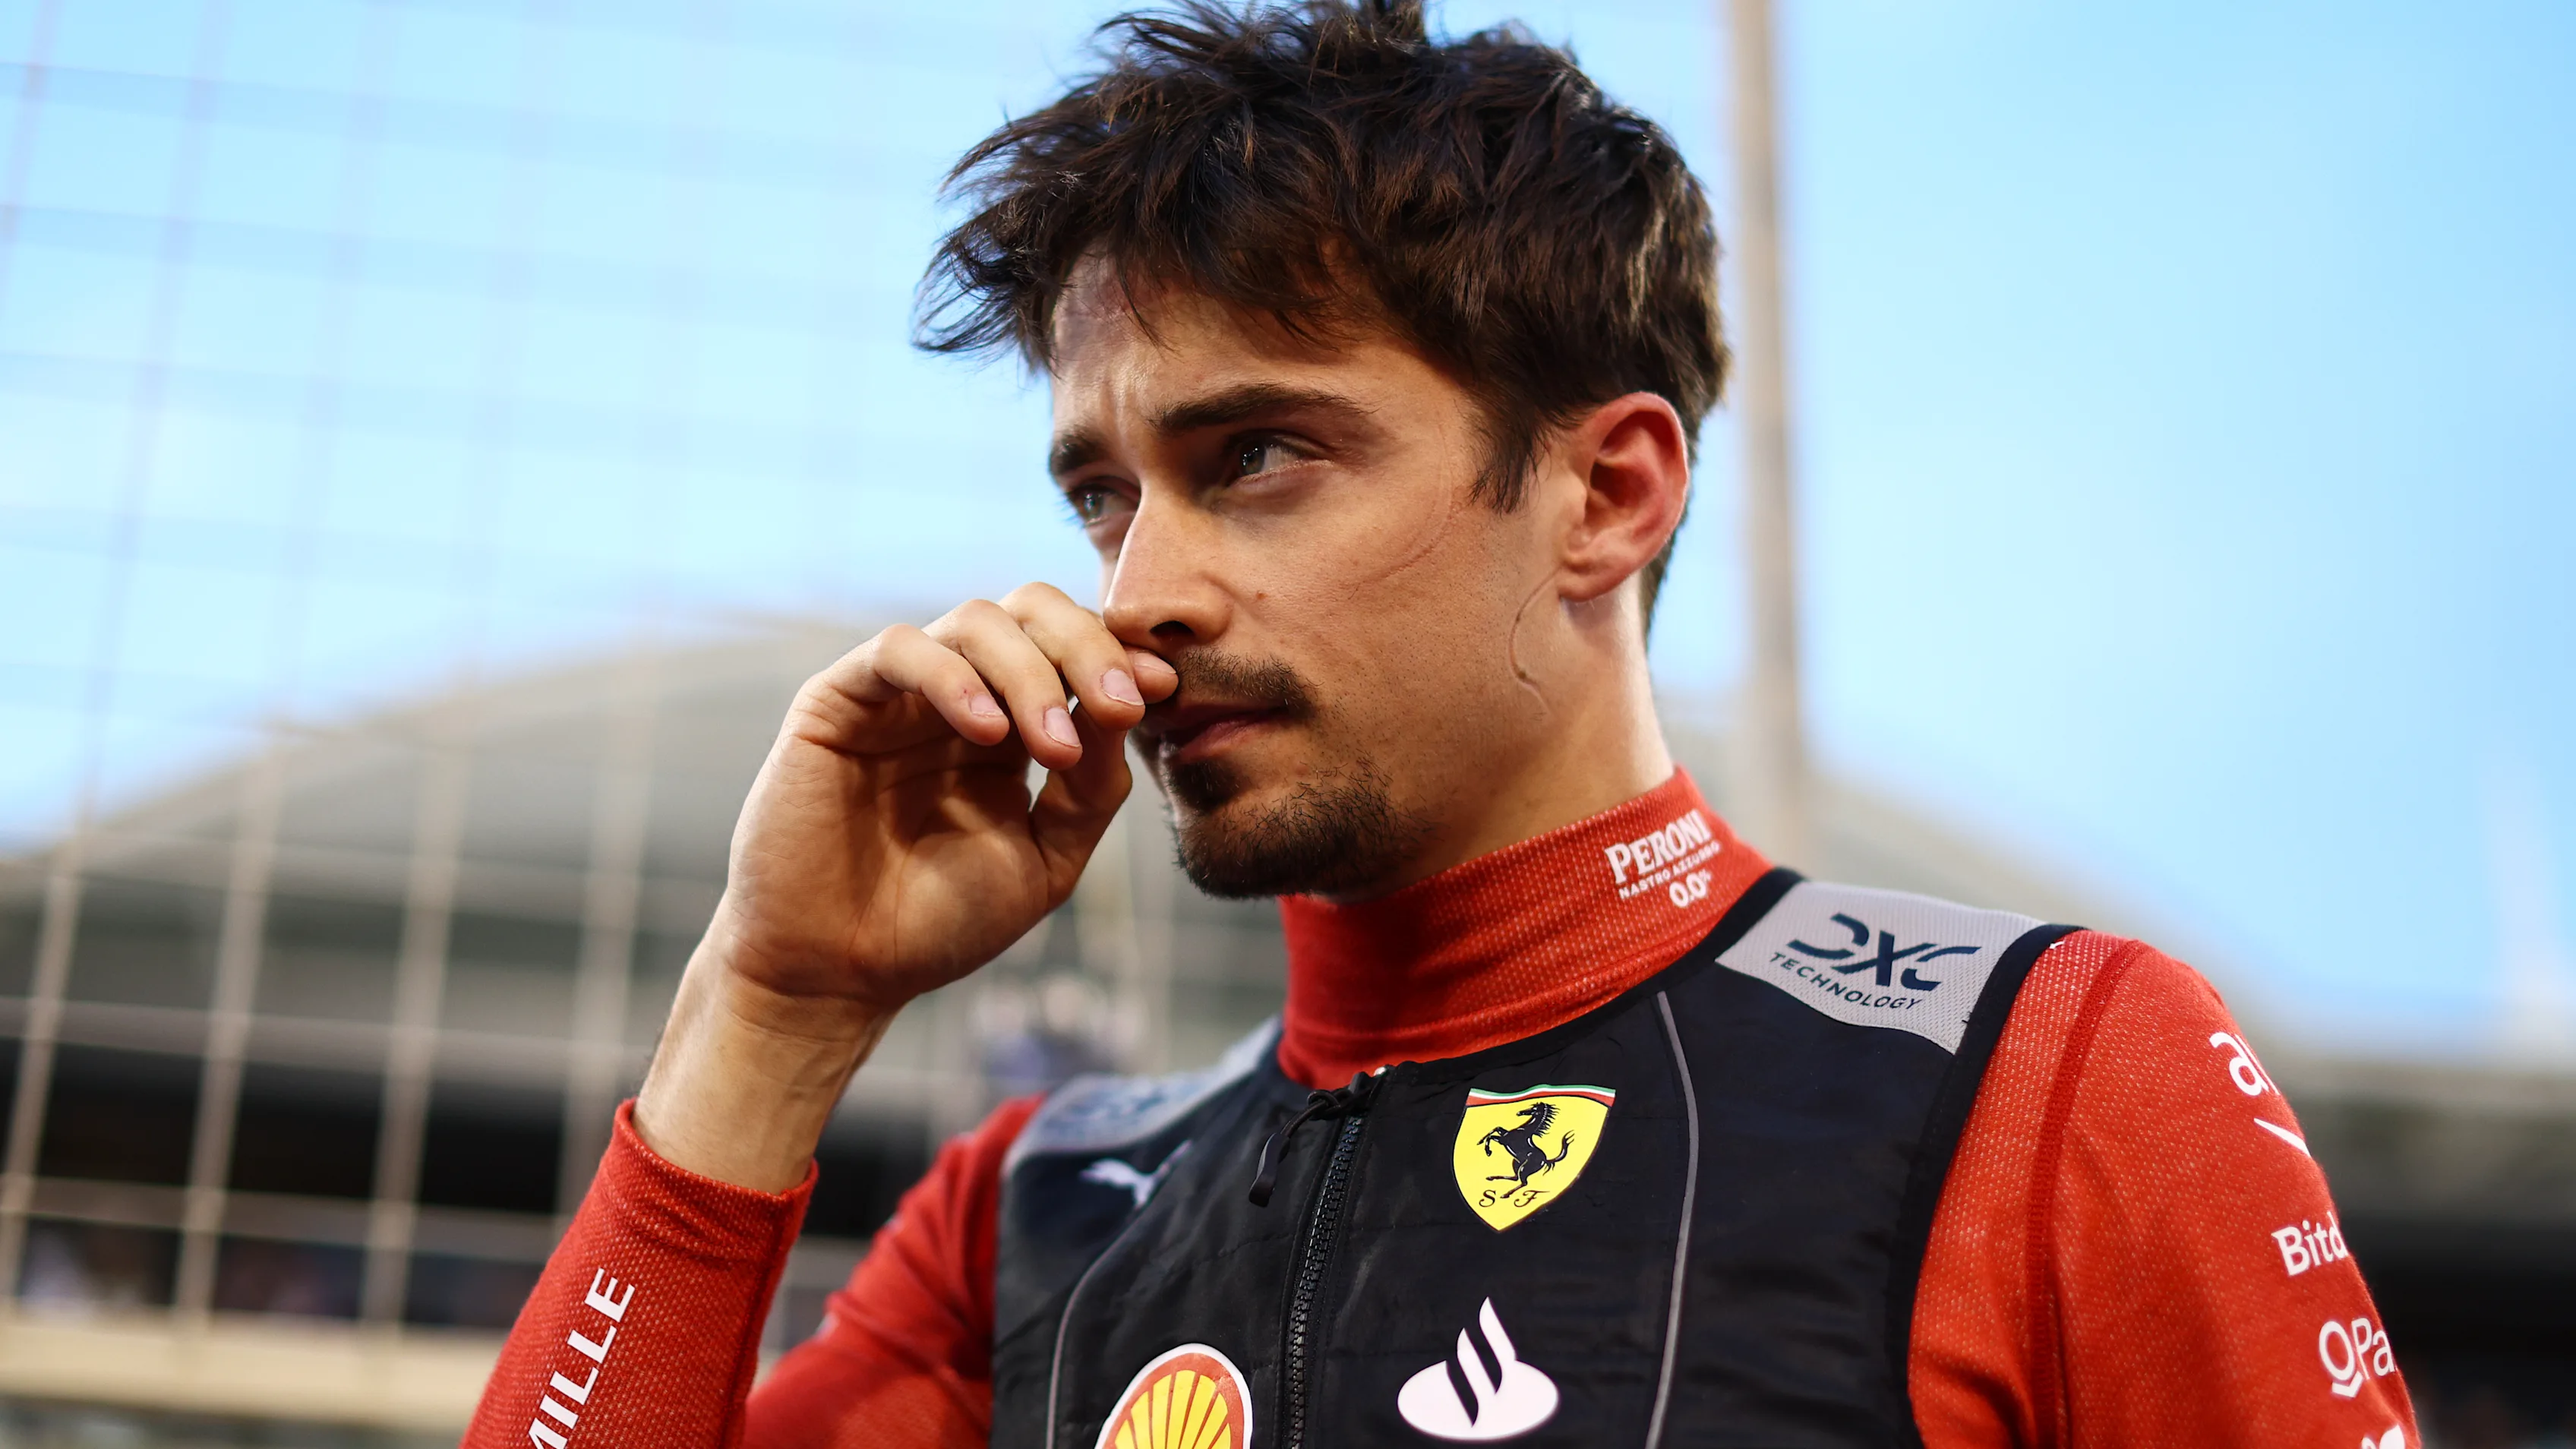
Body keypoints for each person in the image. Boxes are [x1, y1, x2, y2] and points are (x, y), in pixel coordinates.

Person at [466, 4, 2417, 1446]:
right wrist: (770, 1009)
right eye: (1101, 493)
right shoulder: (1033, 1216)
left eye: (1257, 458)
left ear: (1607, 494)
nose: (1139, 585)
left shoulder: (2047, 1070)